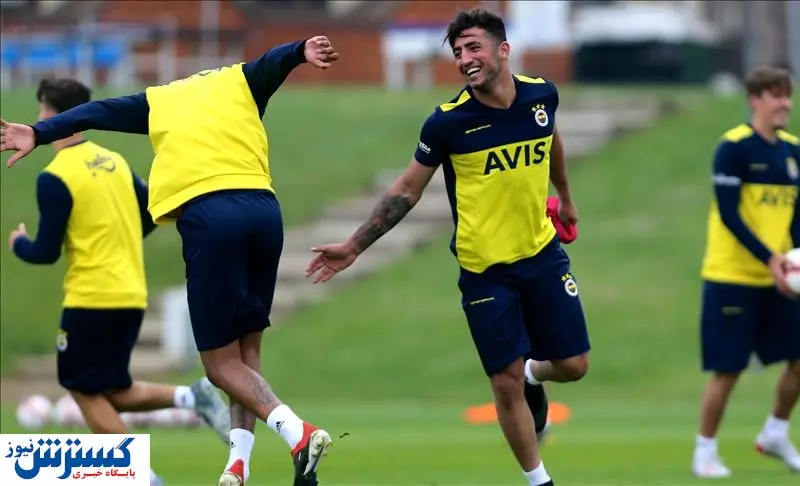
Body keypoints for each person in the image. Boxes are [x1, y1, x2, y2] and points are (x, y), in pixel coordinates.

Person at [1, 37, 340, 486]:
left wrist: (37, 133)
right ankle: (238, 464)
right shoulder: (236, 82)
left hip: (198, 227)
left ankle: (298, 433)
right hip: (264, 213)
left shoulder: (160, 101)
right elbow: (272, 62)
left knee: (217, 366)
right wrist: (301, 50)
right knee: (245, 353)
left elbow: (98, 112)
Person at [304, 10, 589, 486]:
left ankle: (535, 375)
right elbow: (406, 190)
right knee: (504, 382)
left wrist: (567, 197)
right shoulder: (447, 123)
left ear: (503, 50)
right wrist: (354, 246)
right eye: (457, 52)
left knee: (574, 366)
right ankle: (539, 480)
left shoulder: (542, 94)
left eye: (474, 47)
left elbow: (551, 138)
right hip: (485, 272)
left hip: (542, 256)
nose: (464, 59)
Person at [8, 78, 232, 486]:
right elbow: (150, 215)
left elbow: (45, 251)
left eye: (41, 112)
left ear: (50, 116)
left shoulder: (55, 176)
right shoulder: (114, 162)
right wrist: (117, 238)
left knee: (80, 388)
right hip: (130, 293)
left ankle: (143, 478)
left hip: (92, 297)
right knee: (112, 389)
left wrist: (18, 243)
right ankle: (190, 396)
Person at [693, 66, 800, 478]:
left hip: (777, 280)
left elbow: (798, 213)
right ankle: (705, 452)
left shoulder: (792, 150)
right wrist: (772, 259)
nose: (785, 103)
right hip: (731, 278)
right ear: (755, 99)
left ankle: (775, 434)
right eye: (776, 95)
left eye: (787, 95)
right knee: (728, 370)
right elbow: (730, 215)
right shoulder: (733, 148)